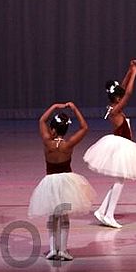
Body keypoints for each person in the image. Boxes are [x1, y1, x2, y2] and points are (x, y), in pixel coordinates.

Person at [83, 59, 136, 228]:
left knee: (119, 181)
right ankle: (109, 214)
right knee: (119, 182)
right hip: (121, 147)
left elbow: (122, 88)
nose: (122, 96)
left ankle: (102, 211)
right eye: (120, 96)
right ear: (117, 98)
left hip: (123, 145)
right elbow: (127, 93)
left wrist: (130, 70)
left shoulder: (114, 106)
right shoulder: (115, 110)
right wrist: (135, 74)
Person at [28, 102, 95, 260]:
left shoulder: (47, 142)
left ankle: (53, 250)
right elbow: (84, 128)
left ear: (53, 129)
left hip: (50, 183)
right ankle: (63, 250)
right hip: (66, 182)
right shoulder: (68, 144)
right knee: (64, 217)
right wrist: (75, 109)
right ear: (65, 130)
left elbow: (41, 121)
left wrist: (54, 107)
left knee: (53, 217)